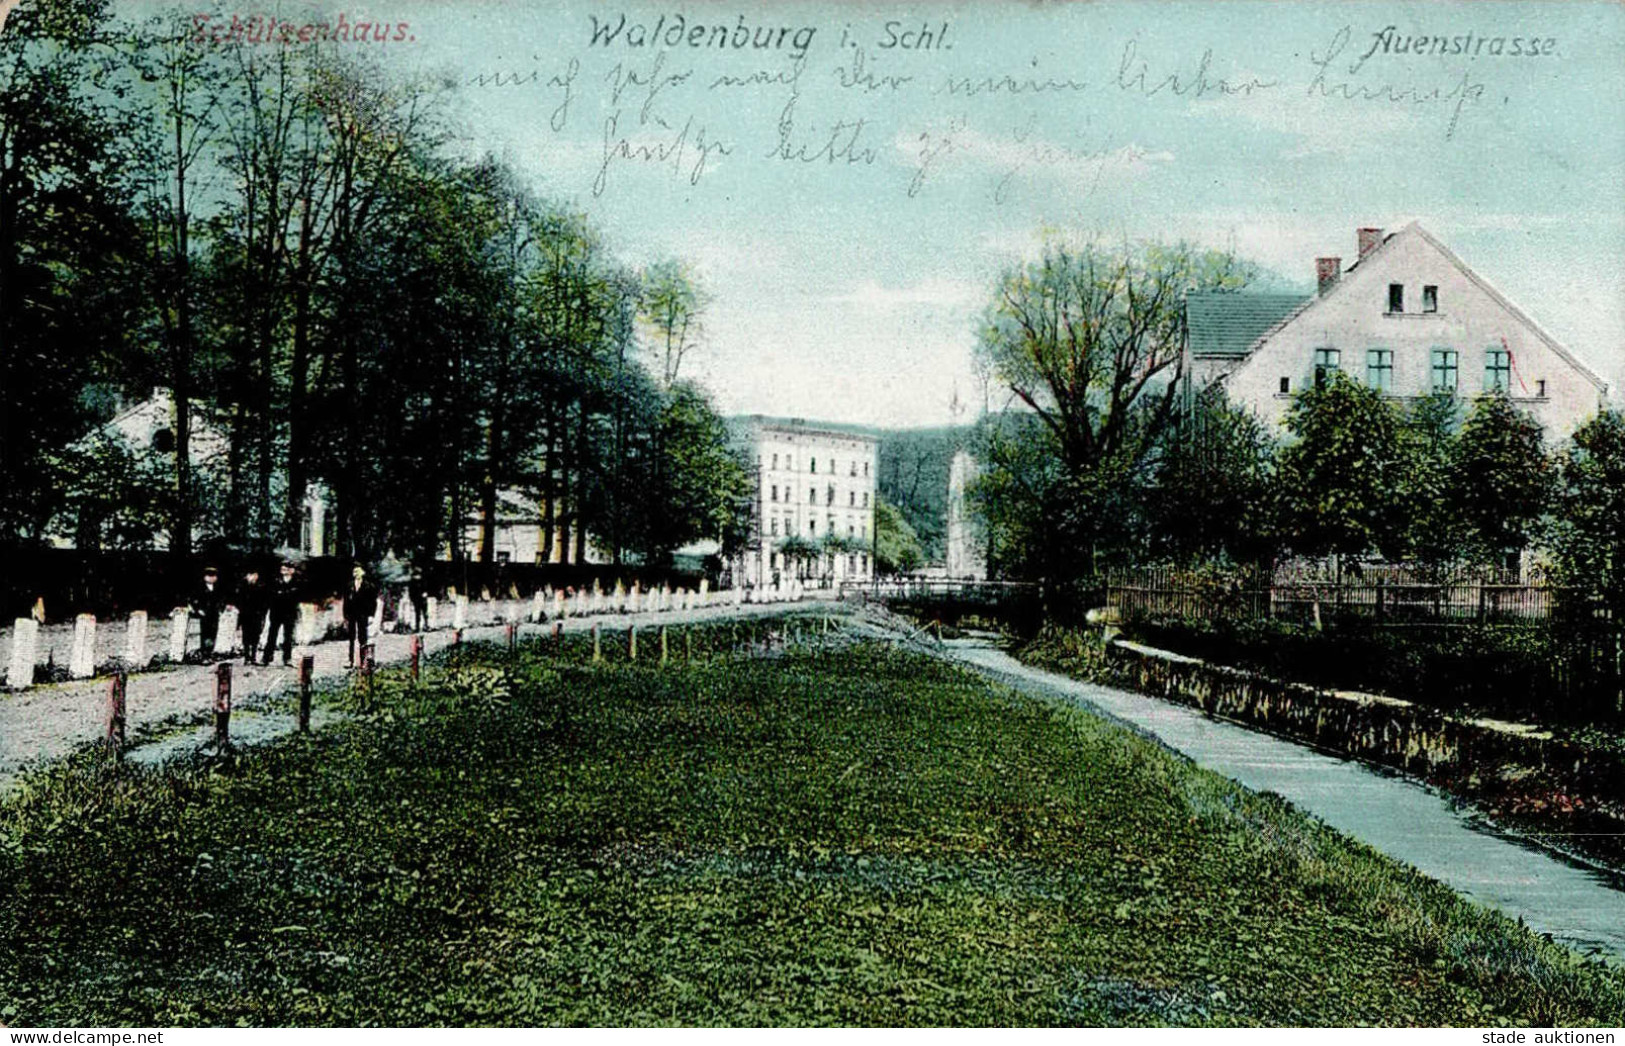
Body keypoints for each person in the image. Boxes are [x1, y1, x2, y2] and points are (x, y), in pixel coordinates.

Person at [262, 561, 300, 666]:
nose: (284, 571)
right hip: (276, 612)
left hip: (290, 613)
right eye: (282, 569)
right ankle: (267, 657)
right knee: (272, 635)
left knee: (288, 636)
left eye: (287, 569)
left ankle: (287, 658)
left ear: (292, 571)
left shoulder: (297, 582)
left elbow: (298, 596)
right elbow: (271, 595)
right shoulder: (275, 581)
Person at [343, 565, 379, 667]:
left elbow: (373, 602)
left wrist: (371, 614)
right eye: (354, 571)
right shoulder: (349, 585)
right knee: (351, 638)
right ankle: (350, 660)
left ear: (362, 572)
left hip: (363, 614)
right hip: (352, 614)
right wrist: (345, 615)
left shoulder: (368, 586)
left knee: (362, 637)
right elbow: (346, 601)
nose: (355, 573)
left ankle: (362, 660)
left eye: (358, 571)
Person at [190, 566, 227, 658]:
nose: (212, 578)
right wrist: (198, 609)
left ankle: (210, 652)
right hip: (204, 614)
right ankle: (204, 654)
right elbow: (193, 599)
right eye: (209, 576)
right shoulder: (200, 587)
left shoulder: (218, 588)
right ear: (205, 577)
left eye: (214, 576)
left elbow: (222, 599)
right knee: (205, 634)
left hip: (214, 613)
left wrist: (221, 609)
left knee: (213, 633)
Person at [237, 566, 267, 666]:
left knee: (255, 636)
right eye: (249, 575)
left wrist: (262, 613)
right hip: (245, 614)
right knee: (246, 636)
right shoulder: (242, 586)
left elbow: (264, 602)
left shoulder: (261, 586)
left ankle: (253, 657)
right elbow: (239, 600)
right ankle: (246, 657)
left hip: (257, 614)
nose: (251, 577)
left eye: (253, 575)